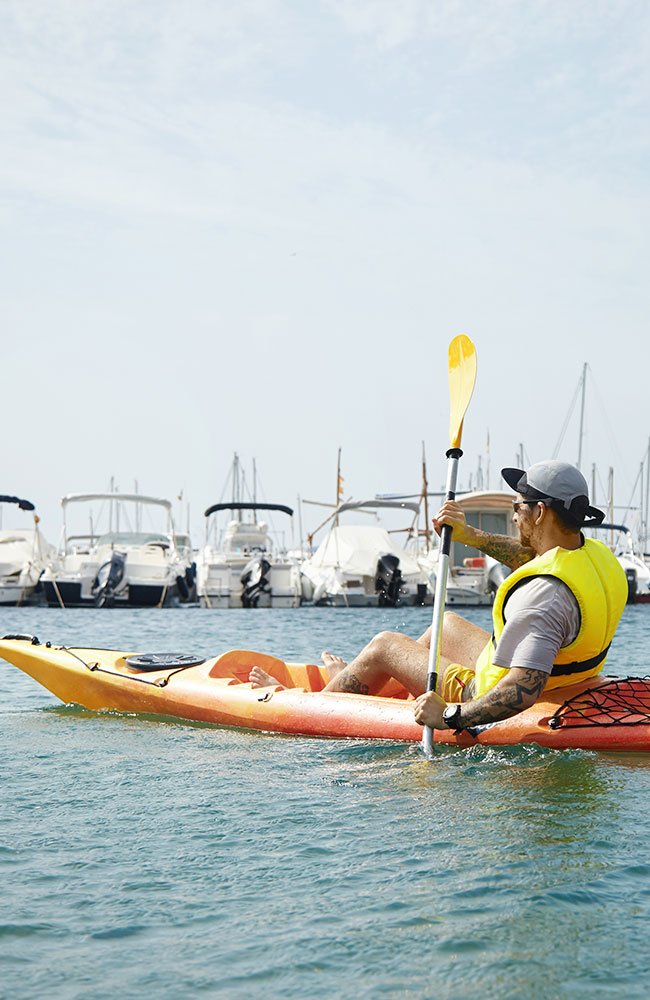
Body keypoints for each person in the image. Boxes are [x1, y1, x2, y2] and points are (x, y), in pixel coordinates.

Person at [250, 461, 628, 735]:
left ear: (540, 512)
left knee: (384, 644)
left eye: (517, 508)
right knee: (443, 626)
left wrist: (450, 715)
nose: (514, 517)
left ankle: (323, 699)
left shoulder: (544, 596)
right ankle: (369, 684)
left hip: (487, 693)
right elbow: (532, 556)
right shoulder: (593, 555)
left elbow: (522, 690)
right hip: (568, 676)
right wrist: (468, 535)